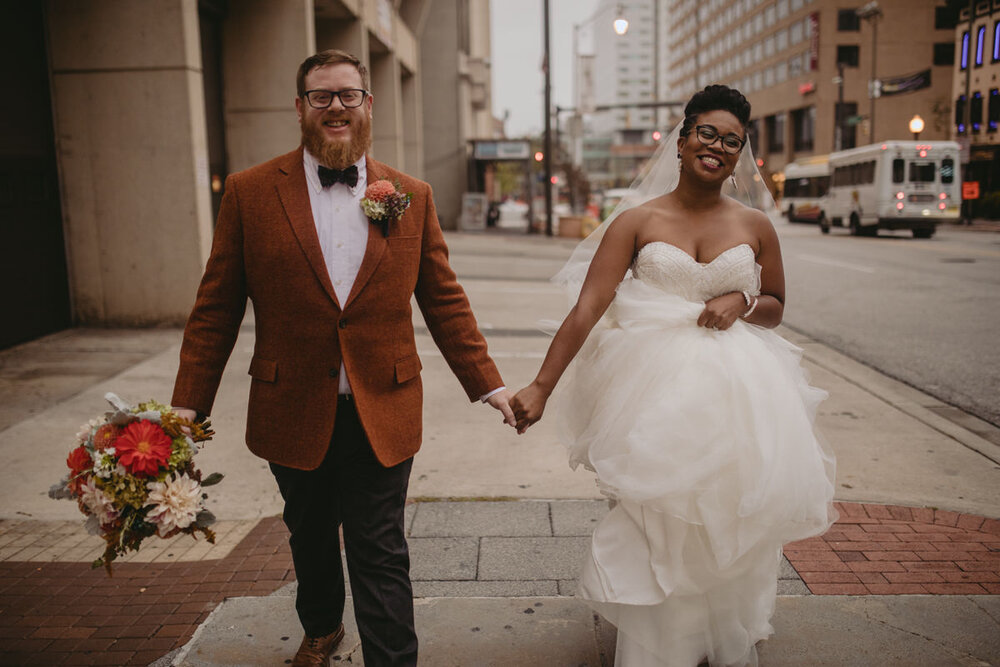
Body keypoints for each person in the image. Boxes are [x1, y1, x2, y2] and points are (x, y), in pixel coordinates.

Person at [171, 49, 515, 667]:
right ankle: (323, 626)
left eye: (347, 95)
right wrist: (185, 410)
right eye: (321, 96)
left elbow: (444, 301)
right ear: (300, 107)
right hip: (290, 403)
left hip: (382, 402)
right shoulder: (250, 193)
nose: (335, 106)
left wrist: (490, 387)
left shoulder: (411, 194)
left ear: (367, 105)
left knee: (379, 546)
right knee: (309, 536)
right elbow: (215, 309)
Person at [510, 85, 836, 666]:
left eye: (732, 141)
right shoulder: (637, 220)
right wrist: (541, 385)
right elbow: (587, 308)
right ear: (682, 140)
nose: (718, 146)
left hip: (738, 390)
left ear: (740, 155)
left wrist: (742, 302)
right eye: (707, 133)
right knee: (657, 515)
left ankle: (721, 629)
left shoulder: (756, 224)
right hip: (651, 392)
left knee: (727, 512)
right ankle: (662, 643)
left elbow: (778, 304)